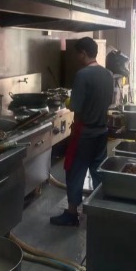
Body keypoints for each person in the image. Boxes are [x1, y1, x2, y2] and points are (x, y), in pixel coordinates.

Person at [50, 37, 114, 226]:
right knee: (98, 171)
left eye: (78, 54)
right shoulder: (108, 74)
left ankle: (72, 213)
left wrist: (69, 101)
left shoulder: (82, 75)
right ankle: (100, 212)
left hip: (84, 134)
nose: (77, 58)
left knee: (75, 171)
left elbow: (76, 106)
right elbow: (108, 101)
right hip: (101, 132)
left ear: (84, 53)